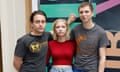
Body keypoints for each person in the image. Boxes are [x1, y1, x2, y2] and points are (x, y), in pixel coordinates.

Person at [69, 2, 109, 72]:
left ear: (92, 13)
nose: (84, 14)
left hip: (92, 69)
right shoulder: (75, 30)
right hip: (77, 68)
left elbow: (102, 57)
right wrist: (68, 22)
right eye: (81, 12)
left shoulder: (100, 32)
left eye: (86, 11)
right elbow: (60, 36)